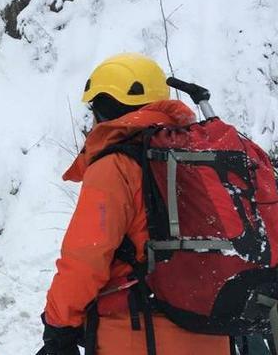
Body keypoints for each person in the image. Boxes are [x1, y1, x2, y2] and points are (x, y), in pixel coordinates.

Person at [39, 53, 229, 355]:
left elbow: (85, 258)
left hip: (139, 334)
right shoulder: (202, 160)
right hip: (212, 332)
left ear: (103, 108)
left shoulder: (116, 165)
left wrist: (58, 324)